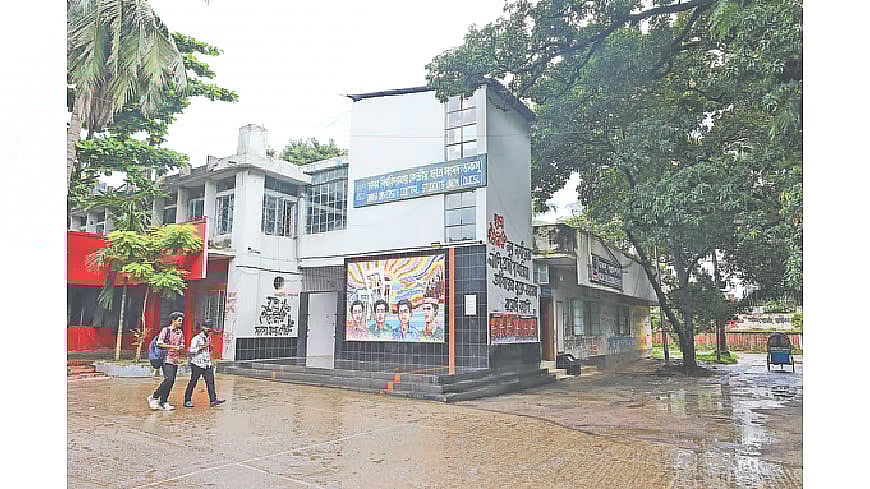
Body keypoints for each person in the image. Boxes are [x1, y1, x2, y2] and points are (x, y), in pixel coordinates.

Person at [147, 312, 185, 411]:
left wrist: (181, 347)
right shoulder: (166, 330)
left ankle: (163, 401)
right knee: (168, 379)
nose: (181, 322)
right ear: (173, 320)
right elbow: (159, 343)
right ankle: (154, 397)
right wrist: (173, 347)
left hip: (175, 360)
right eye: (179, 320)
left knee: (171, 381)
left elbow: (181, 343)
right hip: (166, 358)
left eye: (181, 320)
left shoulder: (180, 332)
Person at [183, 320, 225, 408]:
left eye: (209, 327)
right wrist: (203, 347)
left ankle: (213, 400)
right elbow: (192, 350)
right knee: (193, 382)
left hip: (206, 363)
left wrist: (210, 349)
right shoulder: (196, 338)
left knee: (210, 382)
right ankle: (187, 400)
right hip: (197, 364)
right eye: (206, 327)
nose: (208, 329)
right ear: (203, 328)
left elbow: (207, 350)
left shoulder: (208, 338)